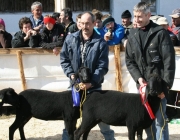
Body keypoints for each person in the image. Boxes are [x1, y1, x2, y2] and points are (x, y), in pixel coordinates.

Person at [60, 12, 115, 140]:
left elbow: (102, 67)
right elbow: (64, 59)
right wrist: (72, 75)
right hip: (75, 86)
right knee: (70, 119)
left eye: (88, 23)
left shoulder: (101, 43)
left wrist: (92, 82)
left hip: (93, 88)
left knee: (103, 120)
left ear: (94, 23)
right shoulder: (70, 39)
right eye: (82, 23)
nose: (85, 26)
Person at [125, 2, 175, 140]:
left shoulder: (160, 33)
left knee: (160, 120)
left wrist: (165, 88)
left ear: (148, 15)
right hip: (142, 87)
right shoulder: (132, 34)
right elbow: (129, 60)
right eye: (135, 16)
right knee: (147, 120)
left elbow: (168, 62)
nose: (136, 20)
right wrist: (138, 78)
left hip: (158, 87)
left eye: (139, 16)